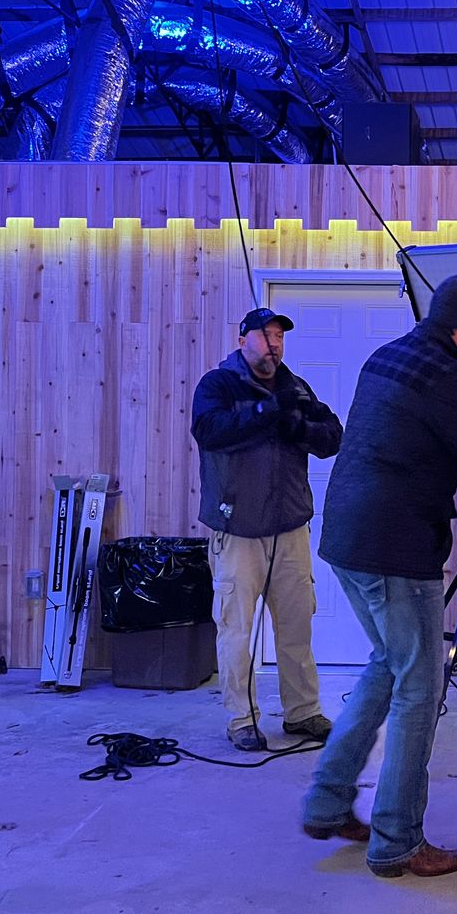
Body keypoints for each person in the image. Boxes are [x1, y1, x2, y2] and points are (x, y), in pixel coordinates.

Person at [301, 274, 457, 879]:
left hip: (346, 537)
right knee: (420, 690)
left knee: (388, 666)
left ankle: (327, 802)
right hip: (396, 547)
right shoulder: (446, 376)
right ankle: (397, 842)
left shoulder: (386, 356)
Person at [191, 307, 343, 752]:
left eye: (279, 336)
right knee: (236, 631)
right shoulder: (218, 385)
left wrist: (298, 426)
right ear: (243, 341)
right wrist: (264, 411)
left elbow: (332, 436)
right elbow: (209, 431)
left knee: (297, 628)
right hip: (237, 530)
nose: (274, 343)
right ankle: (242, 719)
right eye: (265, 335)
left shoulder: (296, 388)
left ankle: (303, 712)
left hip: (290, 529)